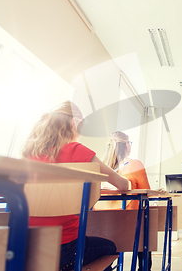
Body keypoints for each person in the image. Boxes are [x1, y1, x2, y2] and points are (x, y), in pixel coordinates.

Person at [22, 101, 130, 271]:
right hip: (66, 249)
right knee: (110, 247)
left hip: (27, 246)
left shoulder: (29, 153)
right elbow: (123, 184)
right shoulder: (76, 150)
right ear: (74, 124)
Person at [103, 130, 152, 271]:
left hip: (104, 227)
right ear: (125, 146)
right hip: (130, 225)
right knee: (145, 232)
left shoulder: (101, 168)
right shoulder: (135, 165)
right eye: (129, 143)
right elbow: (146, 192)